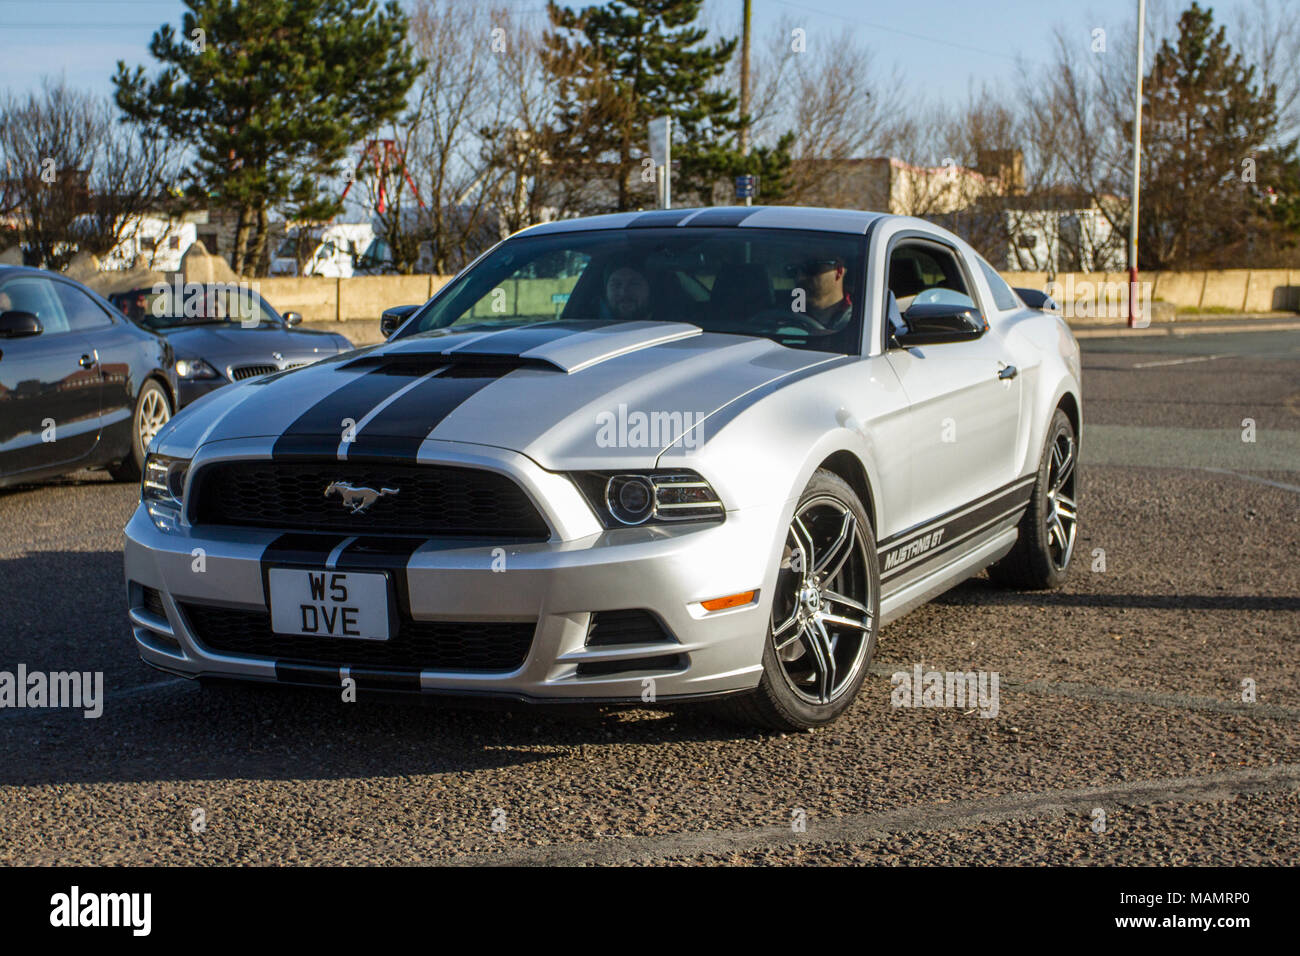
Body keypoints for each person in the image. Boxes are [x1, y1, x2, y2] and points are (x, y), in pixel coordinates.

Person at [793, 254, 853, 330]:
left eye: (810, 268)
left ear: (838, 271)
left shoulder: (865, 316)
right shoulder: (783, 318)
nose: (799, 278)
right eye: (793, 270)